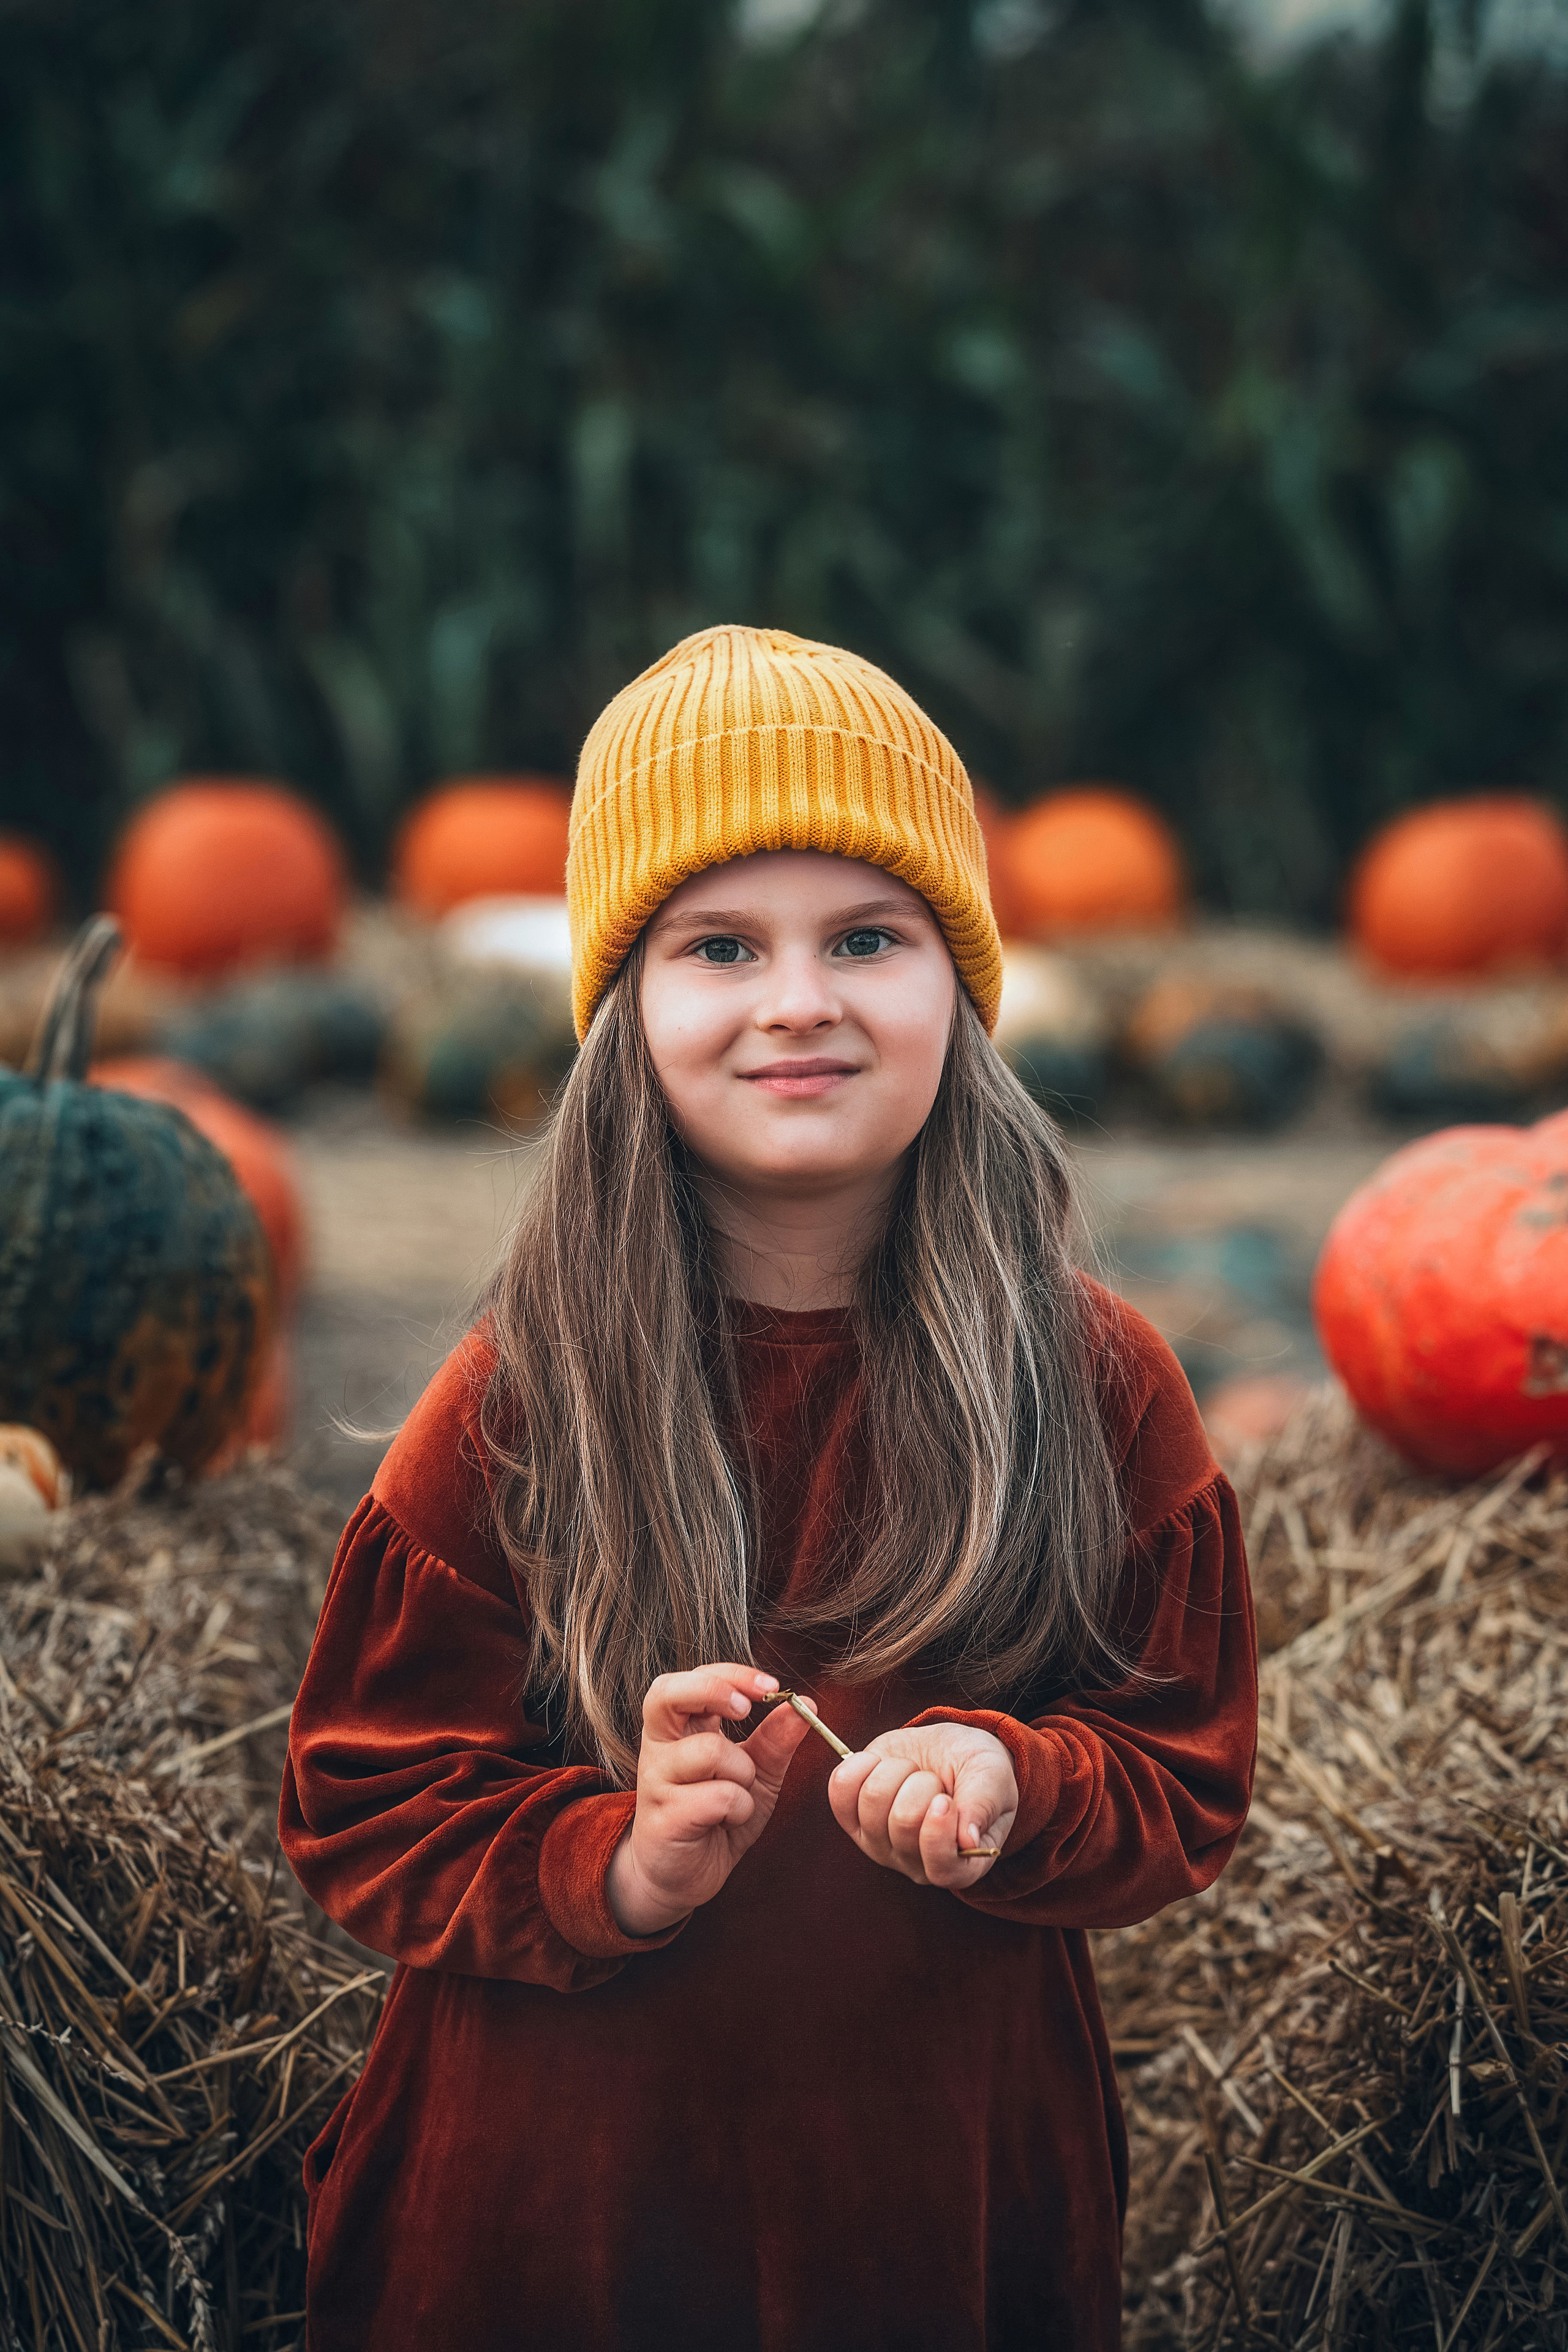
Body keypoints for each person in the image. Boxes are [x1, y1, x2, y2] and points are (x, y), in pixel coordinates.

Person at [281, 625, 1257, 2352]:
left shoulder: (1095, 1385)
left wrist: (1015, 1777)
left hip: (930, 2193)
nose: (798, 1000)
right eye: (719, 944)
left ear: (960, 981)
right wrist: (618, 1859)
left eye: (867, 938)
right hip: (555, 2203)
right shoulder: (528, 1395)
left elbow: (1183, 1774)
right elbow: (366, 1807)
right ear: (623, 1009)